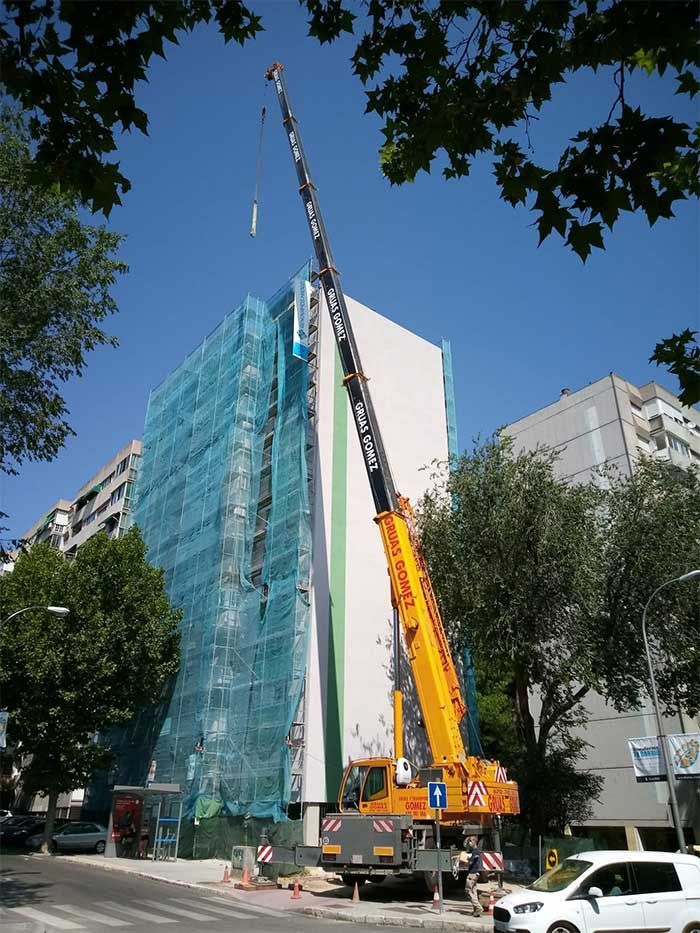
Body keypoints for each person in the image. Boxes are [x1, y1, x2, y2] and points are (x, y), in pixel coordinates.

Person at [464, 835, 483, 917]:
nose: (469, 842)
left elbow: (471, 862)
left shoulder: (475, 852)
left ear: (474, 842)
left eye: (470, 841)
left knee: (468, 890)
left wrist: (465, 862)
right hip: (475, 873)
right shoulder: (475, 851)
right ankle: (476, 910)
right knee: (473, 891)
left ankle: (478, 907)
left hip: (472, 873)